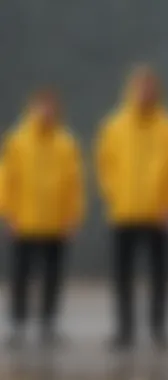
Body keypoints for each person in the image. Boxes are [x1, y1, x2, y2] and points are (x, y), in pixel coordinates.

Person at [95, 65, 168, 350]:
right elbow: (104, 165)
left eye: (151, 88)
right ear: (132, 90)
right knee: (123, 276)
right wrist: (115, 195)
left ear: (157, 92)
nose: (146, 93)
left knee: (160, 275)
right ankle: (124, 329)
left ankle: (158, 329)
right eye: (141, 88)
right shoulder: (114, 126)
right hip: (125, 211)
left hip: (159, 214)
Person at [1, 89, 85, 347]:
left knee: (52, 276)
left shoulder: (66, 143)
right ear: (33, 108)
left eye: (51, 108)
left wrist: (72, 215)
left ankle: (48, 323)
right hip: (25, 220)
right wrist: (8, 212)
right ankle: (18, 323)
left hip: (55, 221)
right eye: (42, 107)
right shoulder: (18, 140)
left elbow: (74, 183)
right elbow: (7, 179)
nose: (47, 113)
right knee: (21, 276)